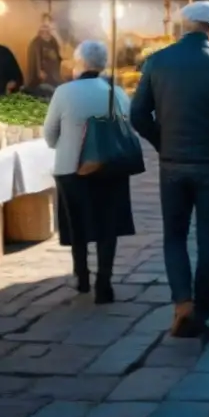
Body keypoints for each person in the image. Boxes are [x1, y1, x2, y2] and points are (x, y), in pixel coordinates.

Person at [131, 1, 209, 338]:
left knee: (174, 236)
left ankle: (182, 303)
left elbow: (138, 115)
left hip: (172, 164)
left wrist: (162, 142)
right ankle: (203, 311)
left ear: (183, 27)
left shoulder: (157, 61)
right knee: (208, 238)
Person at [43, 40, 137, 304]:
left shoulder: (64, 92)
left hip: (71, 168)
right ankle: (104, 282)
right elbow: (129, 127)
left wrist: (66, 144)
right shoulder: (116, 92)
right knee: (108, 225)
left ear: (80, 63)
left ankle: (81, 276)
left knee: (77, 223)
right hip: (111, 167)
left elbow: (50, 134)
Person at [26, 15, 63, 94]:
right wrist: (40, 71)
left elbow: (58, 56)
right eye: (45, 25)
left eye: (49, 24)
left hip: (54, 76)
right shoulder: (36, 43)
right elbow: (36, 60)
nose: (47, 27)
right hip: (41, 80)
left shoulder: (53, 40)